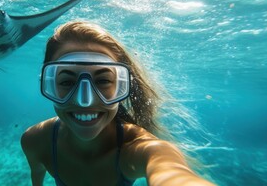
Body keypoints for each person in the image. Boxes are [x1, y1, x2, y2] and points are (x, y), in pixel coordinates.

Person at [21, 21, 214, 186]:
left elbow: (170, 169)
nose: (85, 101)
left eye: (103, 81)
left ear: (121, 86)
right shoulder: (35, 141)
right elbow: (36, 176)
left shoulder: (138, 148)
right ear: (49, 85)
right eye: (67, 82)